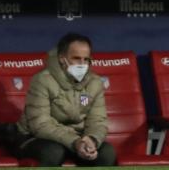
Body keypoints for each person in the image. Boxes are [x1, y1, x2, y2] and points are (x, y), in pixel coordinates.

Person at [13, 33, 116, 166]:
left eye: (86, 59)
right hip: (35, 138)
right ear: (62, 58)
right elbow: (40, 125)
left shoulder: (94, 82)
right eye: (76, 58)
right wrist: (74, 142)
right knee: (53, 152)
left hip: (77, 140)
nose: (82, 64)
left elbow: (98, 120)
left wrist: (91, 139)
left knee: (106, 152)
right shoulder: (42, 80)